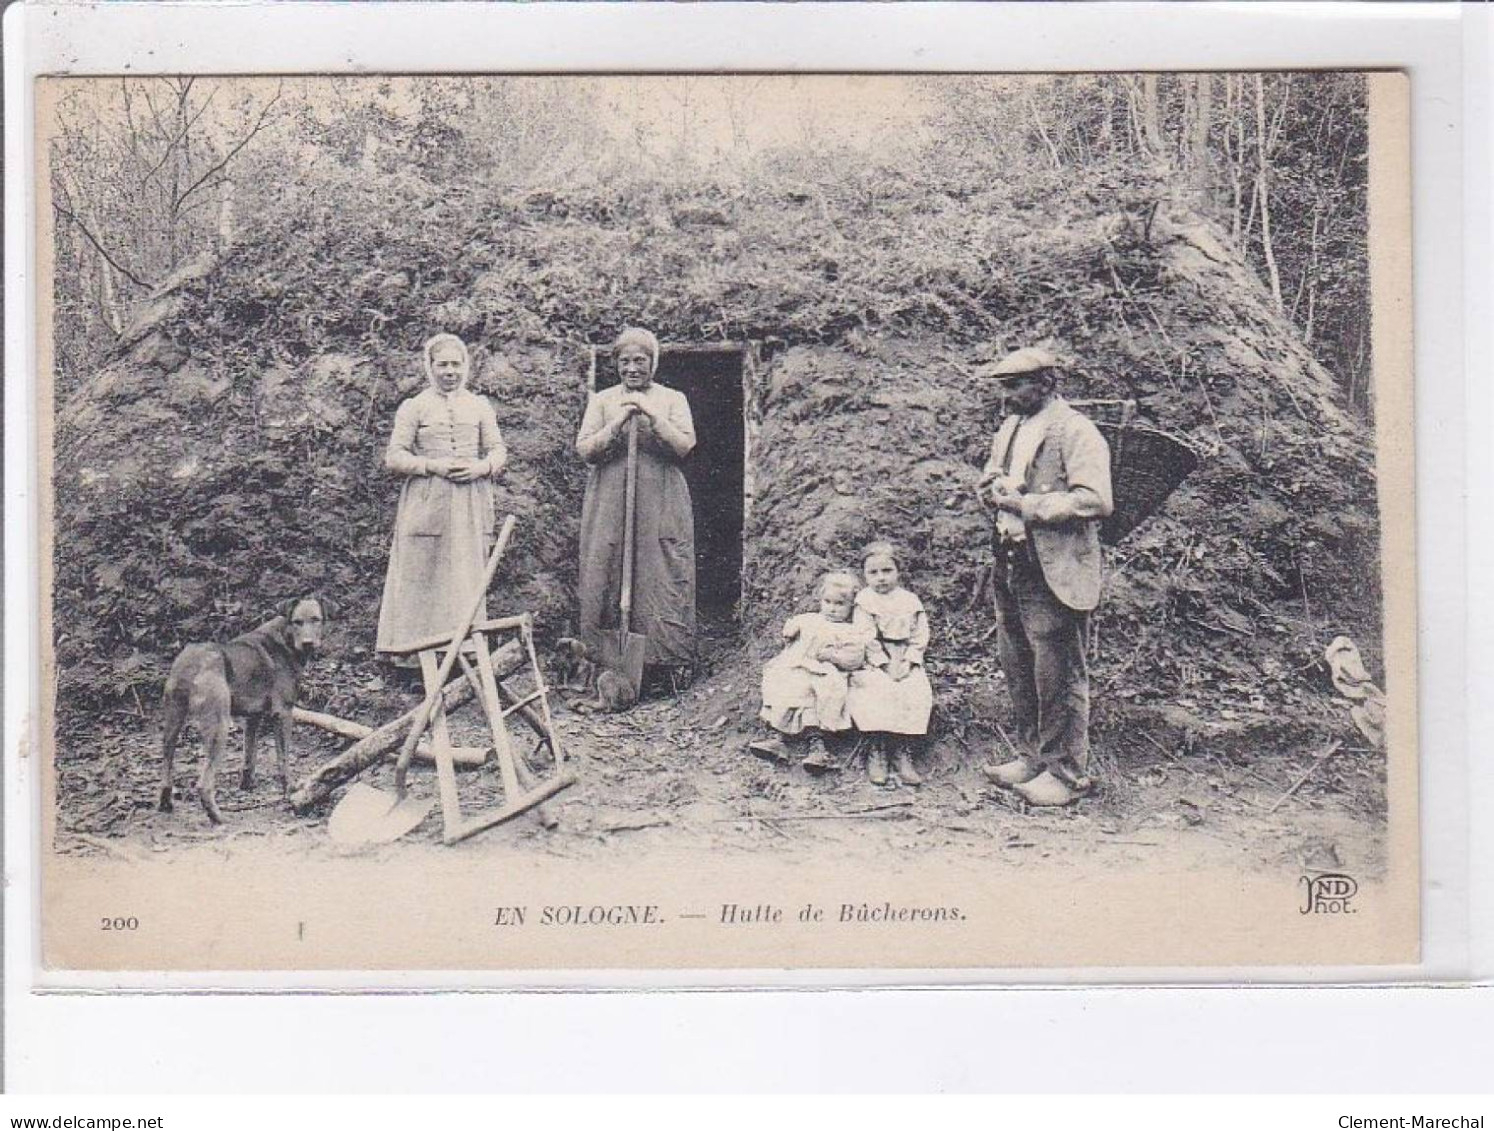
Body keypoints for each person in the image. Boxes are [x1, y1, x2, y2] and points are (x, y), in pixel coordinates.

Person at [976, 347, 1113, 807]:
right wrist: (990, 486)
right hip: (1011, 559)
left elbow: (1094, 500)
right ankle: (1032, 756)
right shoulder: (1011, 427)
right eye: (1003, 385)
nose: (1007, 395)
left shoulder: (1076, 431)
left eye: (1015, 385)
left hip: (1054, 565)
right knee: (1020, 664)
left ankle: (1067, 773)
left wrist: (1027, 506)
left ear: (1046, 383)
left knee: (1058, 672)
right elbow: (996, 475)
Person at [576, 327, 698, 690]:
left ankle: (661, 665)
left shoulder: (673, 398)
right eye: (625, 361)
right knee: (605, 563)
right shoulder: (602, 400)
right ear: (615, 364)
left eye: (640, 361)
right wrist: (617, 422)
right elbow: (585, 449)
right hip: (610, 496)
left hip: (659, 496)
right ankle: (602, 664)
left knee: (658, 569)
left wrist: (649, 415)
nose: (632, 368)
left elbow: (684, 446)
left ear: (653, 363)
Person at [376, 333, 507, 664]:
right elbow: (394, 457)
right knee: (423, 575)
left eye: (456, 364)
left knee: (465, 574)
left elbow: (498, 450)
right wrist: (432, 465)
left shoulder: (479, 406)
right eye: (443, 364)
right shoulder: (415, 407)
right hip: (427, 500)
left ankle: (463, 655)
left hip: (470, 502)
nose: (450, 372)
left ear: (466, 366)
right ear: (430, 367)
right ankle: (415, 658)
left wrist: (481, 468)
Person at [750, 570, 871, 773]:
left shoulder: (850, 630)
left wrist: (832, 656)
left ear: (851, 606)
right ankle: (777, 739)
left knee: (819, 696)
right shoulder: (809, 619)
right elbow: (791, 627)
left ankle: (818, 748)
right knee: (784, 685)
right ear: (821, 600)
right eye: (828, 602)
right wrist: (790, 631)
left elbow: (855, 658)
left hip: (825, 673)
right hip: (798, 667)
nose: (832, 609)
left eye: (839, 604)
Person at [847, 542, 934, 786]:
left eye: (887, 571)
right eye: (873, 573)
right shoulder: (865, 600)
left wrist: (909, 660)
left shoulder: (910, 600)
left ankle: (902, 752)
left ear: (898, 571)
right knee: (876, 689)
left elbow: (920, 635)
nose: (880, 578)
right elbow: (865, 634)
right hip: (876, 655)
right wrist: (883, 663)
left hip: (904, 653)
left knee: (915, 690)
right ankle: (878, 749)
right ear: (864, 576)